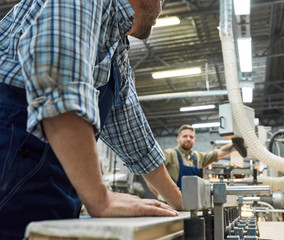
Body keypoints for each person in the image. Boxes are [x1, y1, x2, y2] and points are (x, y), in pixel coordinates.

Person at [0, 0, 182, 239]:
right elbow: (58, 78)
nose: (162, 6)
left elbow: (136, 140)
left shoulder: (115, 46)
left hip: (48, 185)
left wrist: (181, 204)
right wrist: (100, 199)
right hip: (12, 163)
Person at [164, 124, 236, 190]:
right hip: (172, 202)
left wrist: (237, 144)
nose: (188, 139)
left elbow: (218, 153)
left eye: (191, 137)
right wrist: (159, 195)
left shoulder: (197, 157)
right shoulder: (169, 154)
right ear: (178, 138)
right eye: (185, 136)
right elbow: (153, 172)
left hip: (194, 200)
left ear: (194, 140)